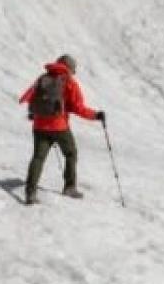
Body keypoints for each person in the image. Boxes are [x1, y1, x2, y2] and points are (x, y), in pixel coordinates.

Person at [18, 55, 104, 205]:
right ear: (68, 67)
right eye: (73, 69)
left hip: (39, 126)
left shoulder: (43, 78)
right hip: (59, 127)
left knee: (38, 158)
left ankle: (30, 193)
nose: (73, 72)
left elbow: (28, 97)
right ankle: (69, 187)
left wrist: (35, 113)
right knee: (71, 153)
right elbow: (78, 107)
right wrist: (95, 115)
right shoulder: (69, 82)